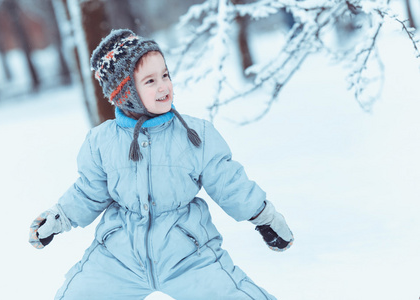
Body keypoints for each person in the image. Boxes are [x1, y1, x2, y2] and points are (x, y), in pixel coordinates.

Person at [29, 28, 294, 300]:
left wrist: (263, 217)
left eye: (165, 75)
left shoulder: (194, 135)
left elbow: (229, 183)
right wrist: (59, 216)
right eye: (151, 81)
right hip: (119, 258)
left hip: (188, 255)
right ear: (126, 92)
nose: (164, 86)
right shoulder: (102, 141)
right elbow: (88, 192)